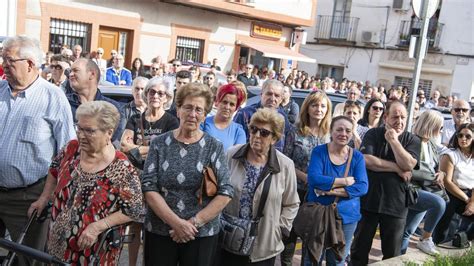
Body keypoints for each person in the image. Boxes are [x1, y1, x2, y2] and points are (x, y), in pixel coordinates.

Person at [28, 101, 144, 265]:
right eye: (79, 128)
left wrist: (97, 226)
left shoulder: (121, 168)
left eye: (89, 130)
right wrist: (44, 197)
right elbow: (54, 169)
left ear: (109, 133)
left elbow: (134, 210)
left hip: (93, 251)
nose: (81, 135)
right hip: (56, 245)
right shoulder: (72, 148)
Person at [0, 35, 76, 264]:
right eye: (3, 59)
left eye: (9, 60)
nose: (3, 65)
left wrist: (46, 196)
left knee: (27, 260)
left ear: (30, 64)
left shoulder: (53, 97)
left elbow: (67, 152)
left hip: (28, 197)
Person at [141, 83, 234, 266]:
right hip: (160, 230)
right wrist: (176, 223)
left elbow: (226, 192)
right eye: (188, 107)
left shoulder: (213, 146)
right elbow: (148, 186)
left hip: (200, 233)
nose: (192, 114)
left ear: (205, 115)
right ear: (178, 109)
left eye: (199, 109)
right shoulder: (159, 144)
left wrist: (193, 223)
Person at [221, 108, 300, 265]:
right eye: (253, 129)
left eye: (264, 133)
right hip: (229, 239)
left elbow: (292, 203)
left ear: (274, 138)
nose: (256, 136)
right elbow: (218, 191)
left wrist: (279, 230)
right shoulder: (232, 155)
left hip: (264, 243)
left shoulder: (285, 165)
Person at [351, 101, 421, 265]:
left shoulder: (412, 139)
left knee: (392, 254)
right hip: (368, 202)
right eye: (395, 117)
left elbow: (409, 164)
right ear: (386, 117)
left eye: (403, 117)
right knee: (359, 250)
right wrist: (397, 169)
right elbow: (367, 160)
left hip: (396, 205)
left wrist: (394, 142)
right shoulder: (373, 134)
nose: (400, 121)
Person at [304, 116, 368, 265]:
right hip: (318, 214)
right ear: (331, 131)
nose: (343, 133)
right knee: (312, 259)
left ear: (352, 134)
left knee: (337, 261)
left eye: (348, 130)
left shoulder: (357, 157)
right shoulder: (319, 152)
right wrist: (343, 182)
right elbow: (313, 179)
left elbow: (362, 187)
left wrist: (329, 191)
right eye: (339, 129)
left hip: (346, 218)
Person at [281, 91, 332, 265]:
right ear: (307, 107)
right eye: (315, 105)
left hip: (320, 196)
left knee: (312, 242)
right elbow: (285, 161)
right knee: (290, 237)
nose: (319, 109)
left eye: (323, 106)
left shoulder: (330, 135)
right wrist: (305, 177)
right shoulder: (295, 131)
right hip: (295, 191)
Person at [400, 110, 447, 255]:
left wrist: (441, 173)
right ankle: (425, 239)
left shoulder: (432, 143)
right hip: (411, 189)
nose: (441, 131)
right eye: (440, 127)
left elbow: (435, 166)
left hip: (426, 189)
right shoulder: (410, 140)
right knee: (438, 203)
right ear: (431, 125)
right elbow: (407, 167)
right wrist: (431, 176)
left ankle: (396, 259)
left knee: (406, 231)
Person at [67, 58, 126, 144]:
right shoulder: (63, 103)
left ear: (92, 74)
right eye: (70, 71)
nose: (71, 74)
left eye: (76, 70)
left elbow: (111, 142)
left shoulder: (113, 109)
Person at [433, 123, 474, 244]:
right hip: (451, 194)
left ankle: (464, 238)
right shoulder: (450, 155)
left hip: (470, 194)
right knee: (443, 233)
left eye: (468, 136)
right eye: (460, 135)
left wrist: (472, 202)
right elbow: (447, 182)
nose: (463, 139)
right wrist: (467, 200)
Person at [234, 79, 292, 151]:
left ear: (281, 99)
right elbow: (234, 144)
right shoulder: (244, 114)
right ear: (261, 94)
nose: (272, 98)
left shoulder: (283, 117)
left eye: (277, 96)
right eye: (269, 94)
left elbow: (287, 145)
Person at [201, 82, 247, 152]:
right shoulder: (203, 122)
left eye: (232, 104)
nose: (227, 107)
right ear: (217, 102)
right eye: (224, 102)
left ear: (236, 108)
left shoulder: (238, 131)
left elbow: (237, 159)